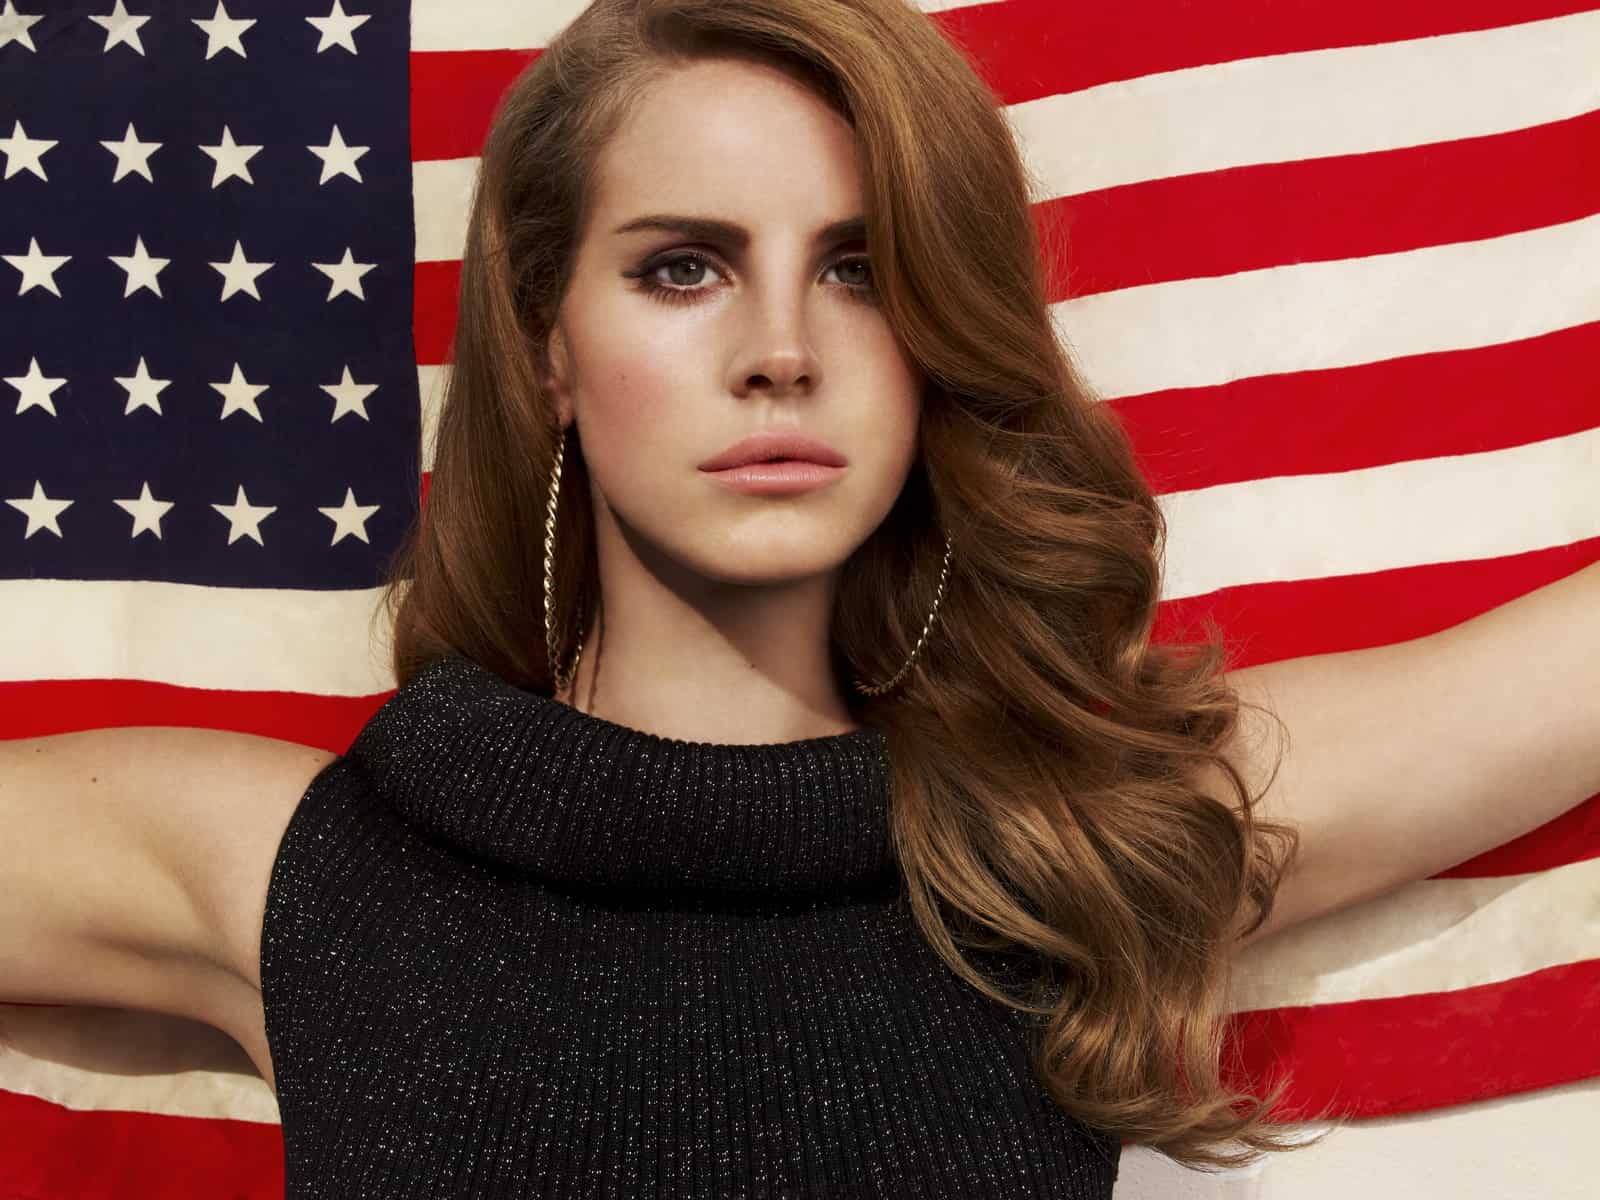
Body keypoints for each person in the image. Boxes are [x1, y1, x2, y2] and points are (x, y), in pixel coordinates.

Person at [11, 0, 1501, 1194]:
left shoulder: (1074, 842)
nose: (783, 350)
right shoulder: (303, 867)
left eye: (861, 270)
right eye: (682, 269)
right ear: (547, 345)